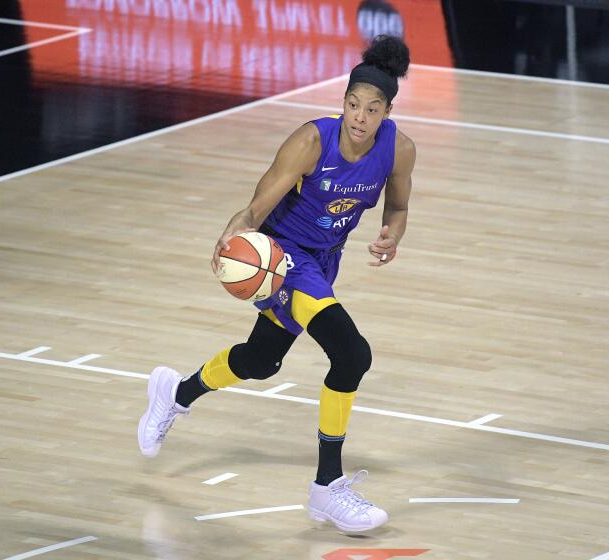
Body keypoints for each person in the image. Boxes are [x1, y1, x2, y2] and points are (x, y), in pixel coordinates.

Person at [137, 35, 416, 533]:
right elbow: (257, 205)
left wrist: (391, 234)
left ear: (387, 112)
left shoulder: (399, 150)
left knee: (261, 361)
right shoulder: (312, 141)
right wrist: (234, 228)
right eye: (353, 105)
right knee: (352, 354)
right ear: (343, 102)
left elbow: (397, 206)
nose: (359, 117)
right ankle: (326, 487)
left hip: (326, 261)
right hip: (283, 260)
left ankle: (175, 393)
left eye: (372, 110)